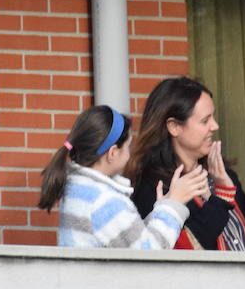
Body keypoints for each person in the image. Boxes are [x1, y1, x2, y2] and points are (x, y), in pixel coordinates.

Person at [128, 76, 245, 251]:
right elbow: (182, 254)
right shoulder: (153, 188)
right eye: (205, 121)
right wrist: (221, 199)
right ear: (174, 127)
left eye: (213, 117)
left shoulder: (221, 174)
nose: (215, 126)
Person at [38, 105, 208, 248]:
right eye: (128, 146)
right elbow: (149, 254)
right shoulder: (104, 201)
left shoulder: (81, 190)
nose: (130, 154)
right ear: (112, 153)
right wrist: (174, 204)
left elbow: (130, 240)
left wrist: (163, 207)